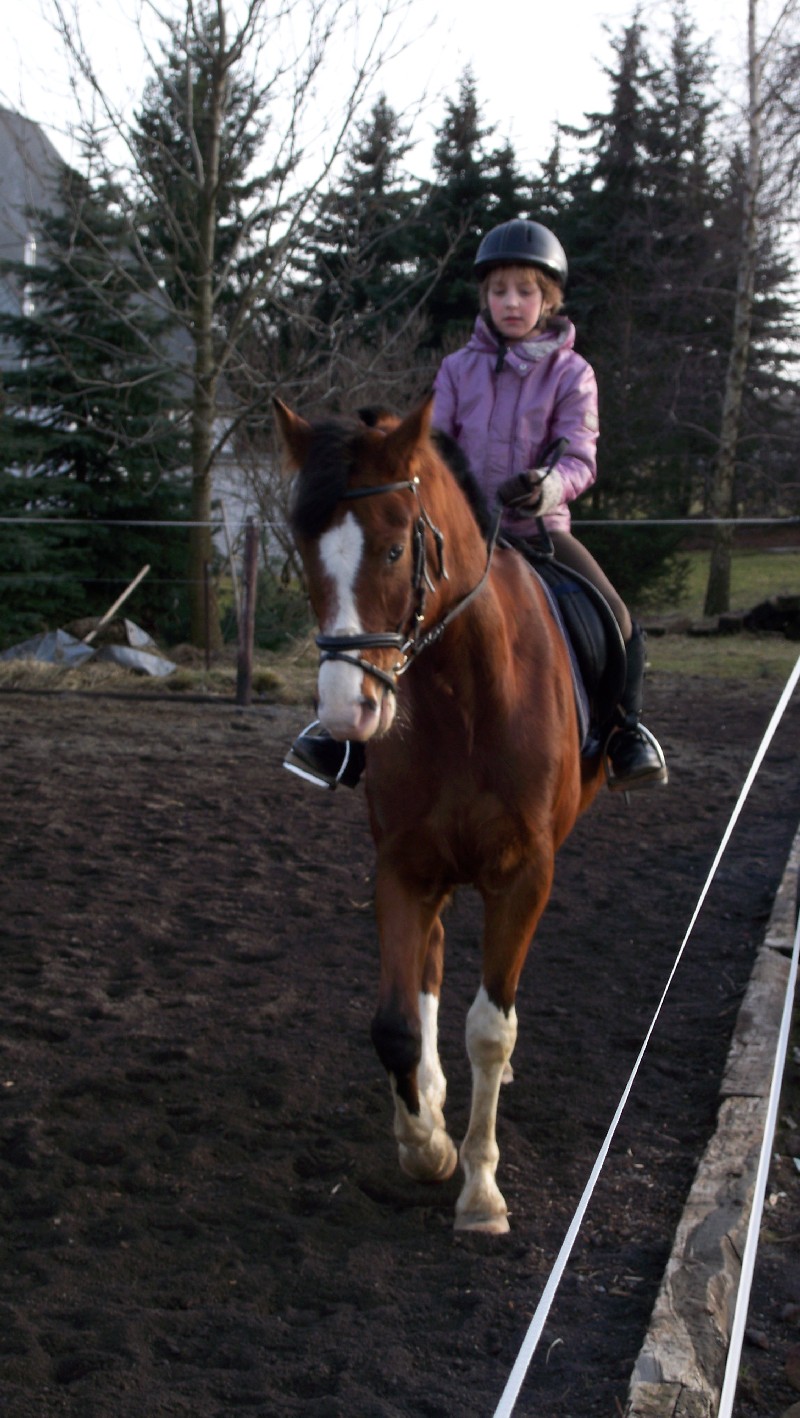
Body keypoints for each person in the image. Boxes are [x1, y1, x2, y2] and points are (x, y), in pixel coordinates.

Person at [285, 218, 667, 792]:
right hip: (462, 536)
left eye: (525, 291)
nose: (511, 302)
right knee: (392, 610)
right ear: (485, 297)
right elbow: (435, 451)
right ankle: (348, 742)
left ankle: (624, 733)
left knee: (616, 616)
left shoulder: (573, 373)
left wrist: (545, 487)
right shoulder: (457, 369)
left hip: (539, 532)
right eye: (499, 291)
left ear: (548, 299)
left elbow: (580, 457)